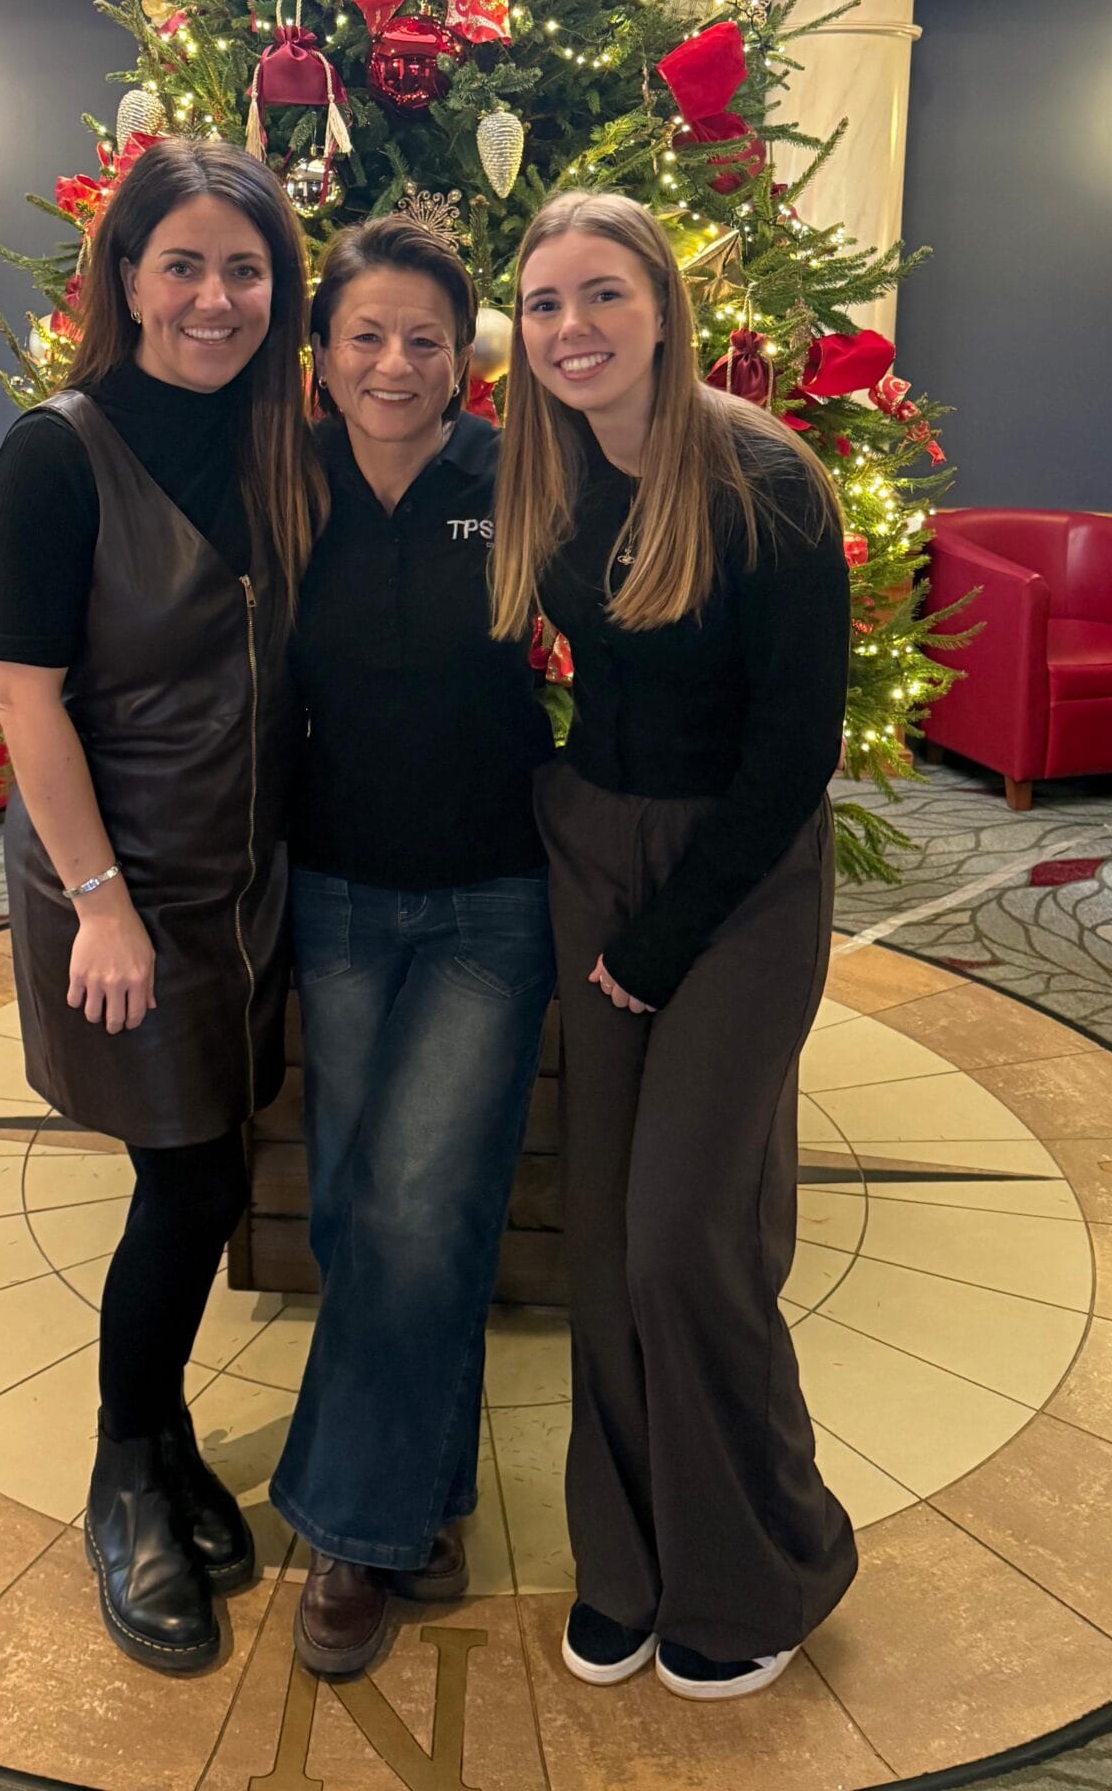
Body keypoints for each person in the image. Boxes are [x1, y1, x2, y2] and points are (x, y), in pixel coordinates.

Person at [491, 190, 857, 1703]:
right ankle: (630, 1565)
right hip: (600, 848)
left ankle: (763, 1564)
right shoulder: (544, 472)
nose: (571, 330)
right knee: (606, 1242)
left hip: (743, 876)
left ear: (663, 309)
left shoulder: (768, 481)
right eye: (545, 303)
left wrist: (659, 940)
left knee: (692, 1238)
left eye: (602, 297)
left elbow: (794, 753)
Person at [0, 137, 320, 1677]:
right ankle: (127, 1467)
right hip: (126, 884)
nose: (214, 297)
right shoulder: (55, 453)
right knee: (184, 1181)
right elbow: (27, 700)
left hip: (256, 877)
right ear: (125, 277)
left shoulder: (278, 436)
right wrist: (101, 905)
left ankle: (166, 1434)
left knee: (216, 1162)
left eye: (244, 269)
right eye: (181, 264)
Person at [270, 216, 556, 1679]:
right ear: (320, 355)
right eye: (366, 336)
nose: (395, 364)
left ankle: (350, 1536)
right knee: (354, 1208)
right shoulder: (284, 487)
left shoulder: (517, 480)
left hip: (490, 905)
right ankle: (426, 1496)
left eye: (426, 340)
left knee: (419, 1200)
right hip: (333, 895)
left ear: (466, 361)